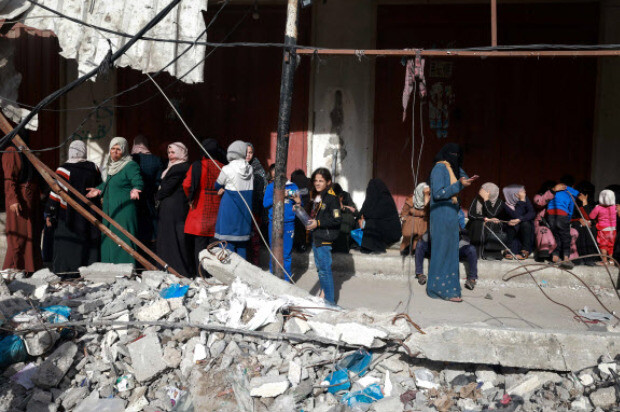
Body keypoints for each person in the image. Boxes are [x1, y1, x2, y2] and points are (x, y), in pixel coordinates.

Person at [427, 143, 474, 302]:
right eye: (453, 155)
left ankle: (451, 290)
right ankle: (437, 289)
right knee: (441, 251)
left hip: (451, 214)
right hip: (440, 214)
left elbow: (463, 177)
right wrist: (460, 184)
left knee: (451, 252)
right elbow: (439, 193)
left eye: (458, 155)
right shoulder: (439, 169)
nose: (456, 157)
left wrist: (463, 178)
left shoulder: (452, 169)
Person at [45, 141, 102, 273]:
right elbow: (99, 188)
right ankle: (89, 272)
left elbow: (56, 194)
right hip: (90, 214)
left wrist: (50, 213)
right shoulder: (93, 167)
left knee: (67, 245)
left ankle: (67, 272)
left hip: (68, 216)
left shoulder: (63, 170)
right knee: (89, 244)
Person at [87, 137, 144, 264]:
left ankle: (125, 269)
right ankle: (110, 268)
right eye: (112, 148)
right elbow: (109, 183)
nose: (115, 152)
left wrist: (136, 189)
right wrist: (98, 190)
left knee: (122, 238)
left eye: (118, 149)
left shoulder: (130, 165)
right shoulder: (112, 166)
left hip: (123, 210)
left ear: (124, 150)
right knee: (109, 238)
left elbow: (137, 180)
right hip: (110, 209)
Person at [183, 138, 225, 275]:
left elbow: (187, 184)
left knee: (199, 245)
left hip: (199, 208)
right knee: (214, 244)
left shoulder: (197, 165)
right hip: (217, 208)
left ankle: (200, 274)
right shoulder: (222, 167)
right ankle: (213, 274)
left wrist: (190, 198)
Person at [2, 141, 42, 273]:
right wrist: (13, 199)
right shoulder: (11, 151)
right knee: (17, 240)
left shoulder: (27, 151)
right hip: (20, 201)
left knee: (31, 237)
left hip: (31, 202)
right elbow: (9, 178)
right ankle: (10, 273)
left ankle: (29, 271)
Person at [415, 209, 478, 289]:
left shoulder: (457, 224)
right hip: (436, 249)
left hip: (454, 250)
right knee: (420, 244)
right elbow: (426, 238)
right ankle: (420, 274)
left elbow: (465, 239)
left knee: (471, 249)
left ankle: (472, 279)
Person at [156, 142, 191, 277]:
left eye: (173, 152)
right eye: (169, 153)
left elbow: (167, 188)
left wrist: (156, 195)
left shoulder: (180, 168)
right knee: (169, 238)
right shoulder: (174, 167)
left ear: (181, 153)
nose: (171, 156)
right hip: (172, 207)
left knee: (172, 238)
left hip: (173, 208)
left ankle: (176, 268)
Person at [306, 168, 341, 305]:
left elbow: (337, 220)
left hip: (325, 238)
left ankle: (330, 302)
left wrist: (318, 223)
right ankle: (323, 294)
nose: (317, 183)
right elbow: (314, 216)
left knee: (325, 271)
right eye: (315, 180)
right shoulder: (317, 197)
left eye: (321, 181)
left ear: (328, 182)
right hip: (316, 237)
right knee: (320, 270)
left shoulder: (332, 199)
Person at [214, 141, 253, 258]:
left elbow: (217, 185)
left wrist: (225, 188)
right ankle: (241, 274)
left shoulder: (227, 168)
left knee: (226, 245)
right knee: (242, 247)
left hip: (229, 211)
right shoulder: (250, 169)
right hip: (245, 212)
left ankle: (227, 274)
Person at [263, 176, 301, 281]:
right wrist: (279, 196)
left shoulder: (293, 186)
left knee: (287, 254)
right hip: (274, 223)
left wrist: (297, 203)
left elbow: (298, 208)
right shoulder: (271, 187)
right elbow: (265, 203)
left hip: (289, 223)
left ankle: (286, 280)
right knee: (274, 252)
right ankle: (273, 279)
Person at [131, 135, 164, 251]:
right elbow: (159, 181)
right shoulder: (156, 160)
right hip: (149, 199)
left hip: (132, 200)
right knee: (150, 231)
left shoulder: (130, 159)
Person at [358, 179, 401, 254]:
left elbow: (367, 213)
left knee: (371, 223)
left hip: (389, 232)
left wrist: (362, 218)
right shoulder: (382, 199)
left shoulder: (382, 200)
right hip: (386, 232)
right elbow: (362, 212)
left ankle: (370, 247)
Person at [547, 176, 580, 268]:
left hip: (550, 214)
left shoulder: (555, 190)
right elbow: (571, 208)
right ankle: (566, 259)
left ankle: (555, 257)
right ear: (572, 185)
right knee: (566, 237)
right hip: (562, 214)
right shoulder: (570, 192)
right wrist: (568, 218)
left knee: (556, 236)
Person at [467, 182, 505, 260]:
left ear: (489, 192)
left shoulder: (500, 202)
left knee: (485, 224)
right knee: (478, 223)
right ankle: (476, 253)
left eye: (483, 189)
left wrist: (486, 199)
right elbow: (470, 214)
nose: (480, 190)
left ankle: (486, 253)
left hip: (491, 228)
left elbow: (492, 214)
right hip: (475, 226)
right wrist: (484, 219)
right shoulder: (477, 199)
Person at [246, 143, 269, 265]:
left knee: (254, 240)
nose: (248, 155)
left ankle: (255, 265)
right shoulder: (237, 167)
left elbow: (262, 193)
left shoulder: (258, 170)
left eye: (250, 152)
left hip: (255, 210)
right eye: (246, 152)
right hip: (241, 210)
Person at [502, 184, 535, 260]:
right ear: (514, 194)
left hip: (524, 228)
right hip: (511, 229)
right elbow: (516, 215)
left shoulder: (525, 199)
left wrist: (520, 219)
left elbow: (532, 213)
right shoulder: (506, 204)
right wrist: (522, 201)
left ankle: (525, 250)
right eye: (522, 191)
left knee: (525, 223)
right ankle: (508, 249)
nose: (524, 192)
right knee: (512, 225)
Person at [572, 181, 598, 266]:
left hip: (591, 228)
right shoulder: (573, 205)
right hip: (577, 226)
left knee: (589, 229)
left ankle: (590, 258)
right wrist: (579, 220)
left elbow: (592, 217)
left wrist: (585, 202)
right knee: (579, 228)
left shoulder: (595, 205)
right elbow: (570, 218)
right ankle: (581, 258)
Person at [400, 182, 430, 256]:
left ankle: (417, 249)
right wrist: (404, 218)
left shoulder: (428, 199)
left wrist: (426, 197)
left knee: (420, 237)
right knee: (408, 234)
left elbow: (428, 210)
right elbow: (405, 211)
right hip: (411, 222)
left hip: (423, 222)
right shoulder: (411, 199)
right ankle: (405, 248)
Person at [590, 190, 617, 266]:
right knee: (611, 245)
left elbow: (591, 216)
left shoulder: (598, 207)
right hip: (613, 229)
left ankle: (604, 261)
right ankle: (611, 261)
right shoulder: (615, 207)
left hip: (603, 230)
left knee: (603, 245)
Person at [332, 183, 359, 253]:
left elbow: (355, 211)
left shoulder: (346, 195)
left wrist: (344, 208)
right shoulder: (329, 197)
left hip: (344, 223)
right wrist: (346, 207)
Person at [291, 169, 312, 252]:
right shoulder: (308, 181)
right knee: (305, 227)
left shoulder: (293, 182)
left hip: (296, 207)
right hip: (307, 208)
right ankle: (303, 246)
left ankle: (296, 245)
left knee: (295, 226)